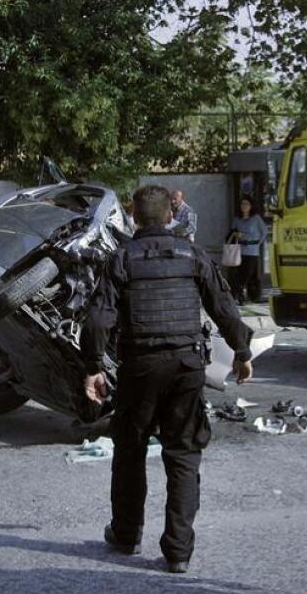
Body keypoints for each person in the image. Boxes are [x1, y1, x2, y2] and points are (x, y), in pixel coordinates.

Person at [81, 184, 254, 574]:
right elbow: (224, 306)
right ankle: (178, 551)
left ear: (134, 217)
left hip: (140, 366)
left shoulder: (121, 257)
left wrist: (93, 365)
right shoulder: (193, 254)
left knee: (130, 449)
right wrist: (241, 352)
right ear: (170, 216)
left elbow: (98, 318)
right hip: (185, 366)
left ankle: (126, 534)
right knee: (183, 455)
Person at [228, 196, 267, 304]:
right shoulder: (237, 219)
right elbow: (232, 232)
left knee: (247, 274)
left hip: (252, 251)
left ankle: (245, 295)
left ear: (251, 206)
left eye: (246, 204)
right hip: (239, 250)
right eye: (242, 204)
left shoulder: (256, 218)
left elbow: (264, 232)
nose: (244, 206)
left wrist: (257, 243)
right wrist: (236, 234)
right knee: (238, 274)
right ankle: (240, 296)